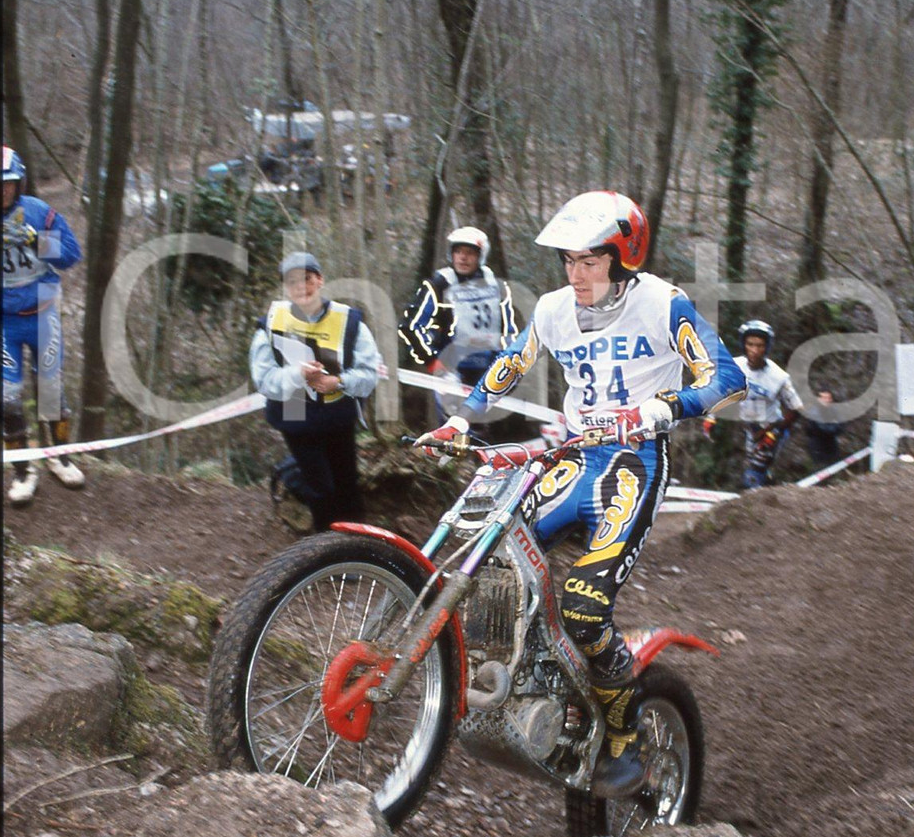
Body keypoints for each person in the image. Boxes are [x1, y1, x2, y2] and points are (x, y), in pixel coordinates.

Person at [415, 191, 746, 799]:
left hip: (635, 464)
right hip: (572, 459)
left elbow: (727, 379)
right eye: (569, 261)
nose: (577, 274)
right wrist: (461, 419)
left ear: (623, 258)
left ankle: (624, 738)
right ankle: (530, 677)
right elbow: (510, 364)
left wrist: (656, 409)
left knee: (587, 606)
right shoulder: (552, 309)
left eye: (590, 261)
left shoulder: (663, 303)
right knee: (487, 558)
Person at [250, 250, 381, 532]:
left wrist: (339, 382)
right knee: (320, 487)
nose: (301, 287)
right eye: (292, 282)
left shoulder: (349, 321)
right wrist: (297, 374)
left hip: (337, 412)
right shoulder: (269, 324)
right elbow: (264, 379)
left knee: (347, 484)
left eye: (307, 279)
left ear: (320, 280)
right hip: (294, 412)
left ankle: (358, 543)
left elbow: (370, 374)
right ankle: (324, 546)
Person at [2, 146, 85, 506]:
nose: (2, 190)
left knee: (51, 390)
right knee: (7, 400)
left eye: (8, 183)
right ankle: (23, 471)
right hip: (3, 321)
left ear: (19, 183)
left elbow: (71, 255)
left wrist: (37, 240)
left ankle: (60, 458)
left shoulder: (38, 211)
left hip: (43, 312)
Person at [399, 226, 517, 426]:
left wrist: (509, 361)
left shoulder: (497, 286)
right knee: (455, 427)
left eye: (469, 253)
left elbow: (509, 330)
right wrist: (432, 361)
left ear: (480, 256)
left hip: (489, 366)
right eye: (458, 251)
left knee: (487, 428)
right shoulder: (439, 286)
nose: (463, 257)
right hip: (451, 370)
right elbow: (410, 327)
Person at [706, 319, 803, 489]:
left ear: (767, 347)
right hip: (750, 428)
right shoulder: (734, 366)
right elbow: (720, 391)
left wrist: (774, 433)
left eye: (760, 345)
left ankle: (760, 493)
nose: (755, 351)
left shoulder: (779, 377)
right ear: (743, 345)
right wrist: (711, 417)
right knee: (756, 470)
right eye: (750, 344)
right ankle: (772, 491)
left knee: (753, 475)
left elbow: (797, 408)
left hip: (772, 429)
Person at [803, 389, 844, 470]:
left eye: (828, 398)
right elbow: (823, 428)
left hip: (832, 446)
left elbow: (841, 426)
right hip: (818, 447)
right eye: (824, 398)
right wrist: (834, 425)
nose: (827, 400)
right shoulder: (814, 412)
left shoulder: (834, 411)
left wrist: (834, 426)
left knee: (834, 469)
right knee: (820, 470)